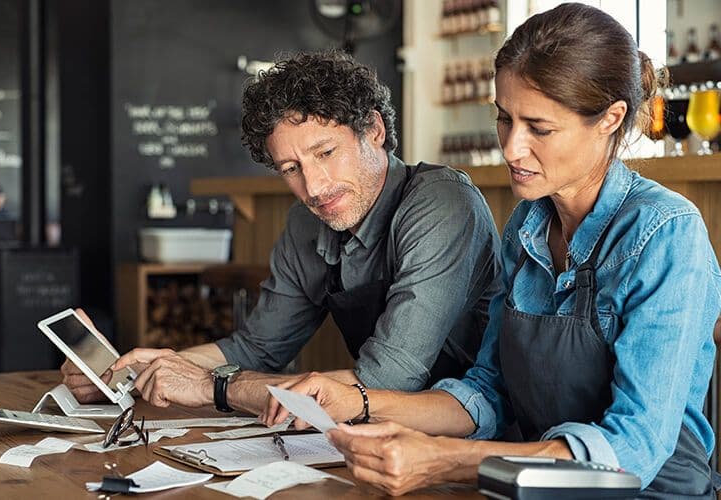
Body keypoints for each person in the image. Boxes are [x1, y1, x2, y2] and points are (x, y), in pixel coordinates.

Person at [263, 4, 721, 498]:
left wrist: (447, 460)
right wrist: (355, 400)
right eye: (505, 118)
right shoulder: (528, 225)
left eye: (539, 128)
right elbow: (487, 392)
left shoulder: (666, 234)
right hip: (526, 486)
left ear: (611, 118)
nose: (511, 148)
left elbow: (634, 448)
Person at [62, 51, 503, 415]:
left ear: (374, 130)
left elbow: (386, 380)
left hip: (475, 432)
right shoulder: (305, 222)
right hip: (382, 436)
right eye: (291, 169)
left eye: (326, 152)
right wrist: (137, 371)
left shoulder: (441, 203)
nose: (313, 187)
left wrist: (213, 387)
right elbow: (257, 347)